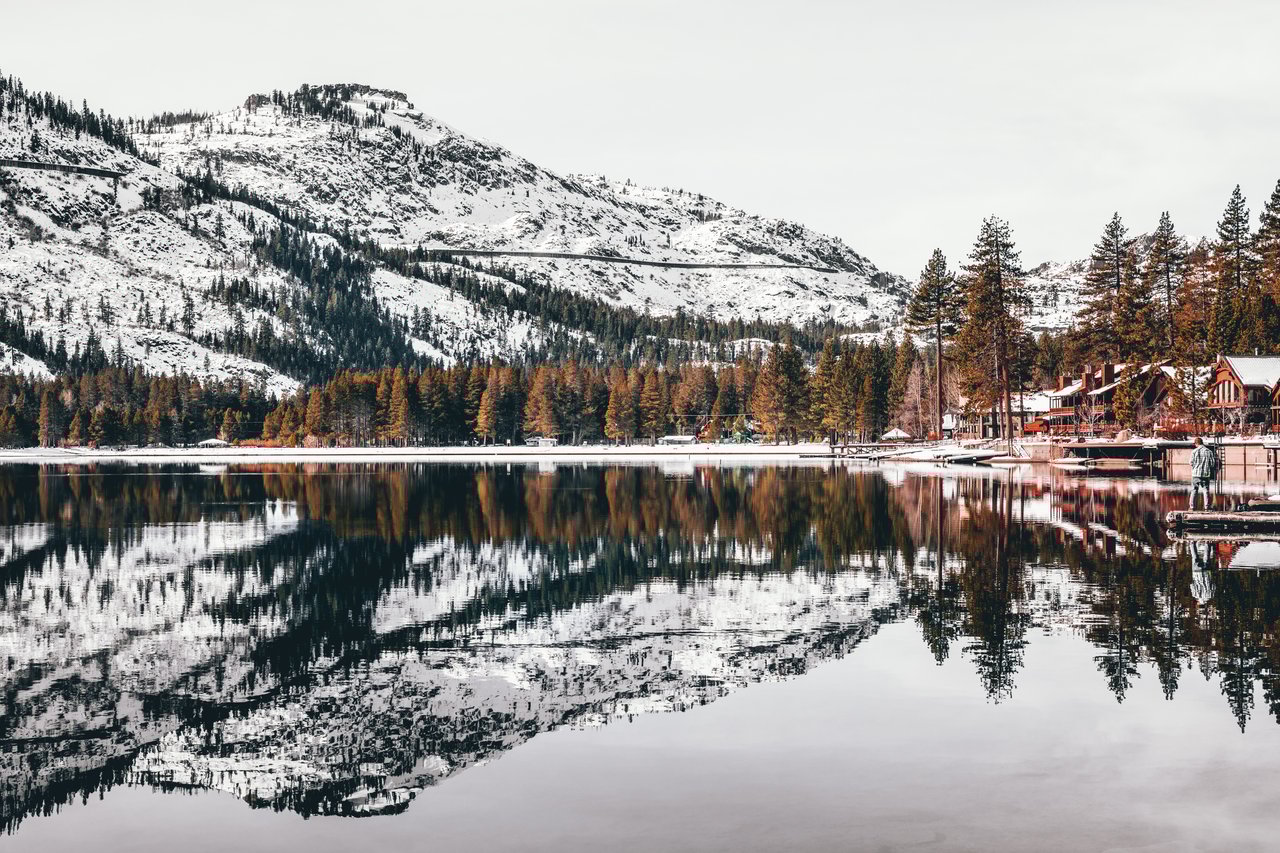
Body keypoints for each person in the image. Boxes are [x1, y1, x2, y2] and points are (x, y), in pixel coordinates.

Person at [1189, 436, 1218, 510]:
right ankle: (1207, 507)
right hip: (1205, 474)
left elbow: (1191, 463)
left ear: (1196, 443)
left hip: (1196, 474)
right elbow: (1212, 464)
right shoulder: (1209, 451)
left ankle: (1192, 507)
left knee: (1194, 490)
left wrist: (1196, 466)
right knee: (1206, 490)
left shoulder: (1194, 451)